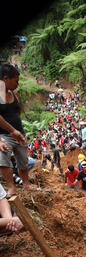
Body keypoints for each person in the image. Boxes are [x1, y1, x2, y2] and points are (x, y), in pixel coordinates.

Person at [0, 64, 35, 197]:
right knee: (2, 157)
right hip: (4, 135)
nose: (17, 84)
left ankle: (26, 184)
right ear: (5, 79)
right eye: (16, 80)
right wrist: (12, 130)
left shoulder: (15, 93)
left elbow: (17, 111)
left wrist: (17, 130)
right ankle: (11, 187)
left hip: (19, 133)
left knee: (23, 160)